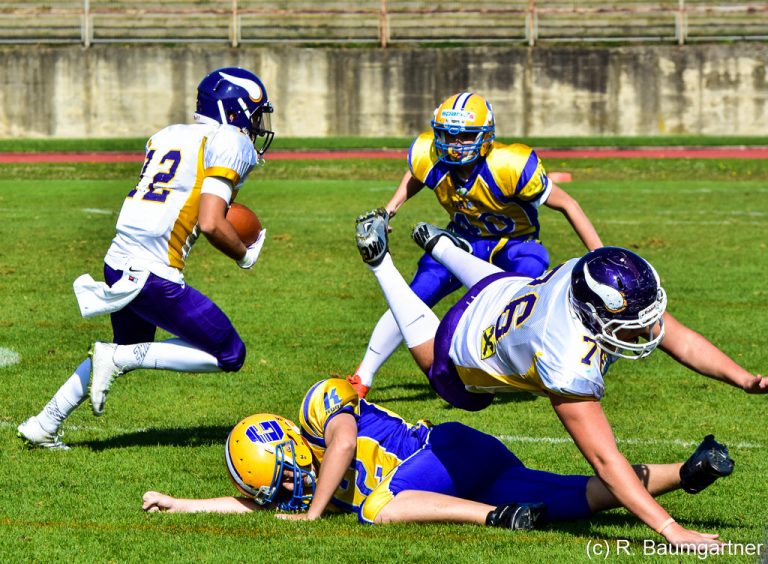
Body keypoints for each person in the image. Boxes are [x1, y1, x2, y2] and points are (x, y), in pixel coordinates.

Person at [353, 211, 767, 547]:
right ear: (595, 315)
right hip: (466, 343)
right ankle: (380, 262)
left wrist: (745, 379)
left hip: (508, 291)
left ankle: (441, 246)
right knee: (439, 372)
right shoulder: (565, 362)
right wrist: (669, 529)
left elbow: (680, 339)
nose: (648, 328)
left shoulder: (584, 277)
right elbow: (606, 462)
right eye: (631, 322)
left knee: (493, 284)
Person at [17, 67, 275, 450]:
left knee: (127, 344)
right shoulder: (229, 141)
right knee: (230, 353)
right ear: (234, 110)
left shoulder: (168, 135)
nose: (256, 126)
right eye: (254, 115)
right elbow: (210, 222)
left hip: (119, 259)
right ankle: (118, 359)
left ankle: (45, 422)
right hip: (152, 273)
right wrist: (244, 254)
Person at [143, 378, 733, 535]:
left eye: (289, 478)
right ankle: (691, 469)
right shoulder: (291, 479)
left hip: (443, 451)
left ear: (288, 441)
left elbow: (344, 444)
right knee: (573, 498)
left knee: (374, 508)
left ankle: (493, 519)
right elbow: (250, 502)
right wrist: (179, 503)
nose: (291, 492)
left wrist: (318, 512)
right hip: (468, 471)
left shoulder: (321, 405)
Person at [347, 92, 603, 399]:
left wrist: (600, 256)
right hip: (461, 241)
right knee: (410, 297)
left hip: (515, 245)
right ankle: (363, 376)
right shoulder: (430, 156)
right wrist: (390, 209)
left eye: (465, 137)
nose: (454, 147)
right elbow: (418, 173)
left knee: (529, 295)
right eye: (447, 137)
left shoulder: (509, 165)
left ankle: (538, 367)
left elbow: (568, 204)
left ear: (485, 137)